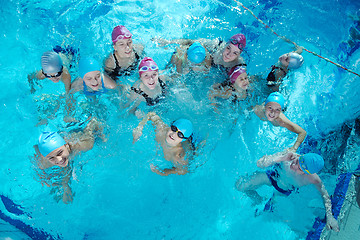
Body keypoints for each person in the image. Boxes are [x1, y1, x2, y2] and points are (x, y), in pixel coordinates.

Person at [235, 151, 340, 232]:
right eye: (297, 161)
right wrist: (281, 158)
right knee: (240, 186)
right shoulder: (289, 156)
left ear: (307, 173)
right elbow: (260, 163)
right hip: (271, 177)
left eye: (299, 169)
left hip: (283, 191)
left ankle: (266, 202)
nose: (293, 166)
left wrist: (330, 216)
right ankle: (258, 199)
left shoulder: (313, 179)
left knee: (266, 214)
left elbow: (325, 196)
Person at [34, 118, 104, 203]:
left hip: (76, 130)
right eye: (51, 158)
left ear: (67, 146)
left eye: (60, 152)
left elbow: (94, 121)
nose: (59, 159)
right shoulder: (44, 163)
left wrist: (102, 135)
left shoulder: (85, 144)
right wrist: (44, 178)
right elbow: (36, 147)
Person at [154, 33, 247, 71]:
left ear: (239, 55)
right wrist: (169, 42)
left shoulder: (239, 65)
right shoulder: (216, 45)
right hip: (201, 60)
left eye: (235, 53)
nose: (229, 54)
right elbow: (191, 41)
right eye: (228, 48)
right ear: (226, 45)